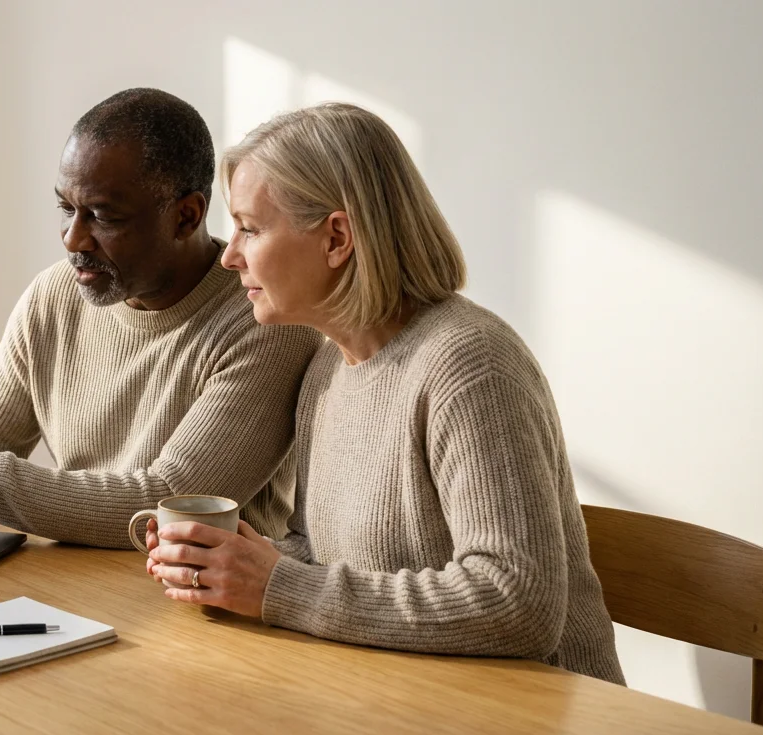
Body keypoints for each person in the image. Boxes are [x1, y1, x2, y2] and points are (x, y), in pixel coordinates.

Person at [144, 103, 625, 683]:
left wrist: (280, 585)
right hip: (402, 696)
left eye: (250, 227)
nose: (229, 255)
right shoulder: (327, 367)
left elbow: (516, 604)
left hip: (536, 724)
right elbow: (323, 557)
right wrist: (236, 567)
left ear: (337, 237)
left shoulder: (470, 367)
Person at [0, 88, 319, 548]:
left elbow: (171, 502)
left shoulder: (264, 319)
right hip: (73, 579)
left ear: (185, 215)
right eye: (66, 209)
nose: (73, 239)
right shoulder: (56, 294)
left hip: (197, 606)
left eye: (103, 216)